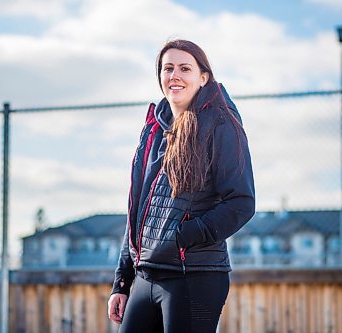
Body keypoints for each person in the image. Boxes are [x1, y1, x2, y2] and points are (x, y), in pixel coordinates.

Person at [107, 39, 255, 333]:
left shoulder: (221, 124)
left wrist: (183, 236)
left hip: (194, 276)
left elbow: (241, 203)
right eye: (168, 68)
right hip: (146, 277)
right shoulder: (154, 129)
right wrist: (122, 281)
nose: (174, 75)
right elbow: (139, 212)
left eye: (185, 68)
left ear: (203, 77)